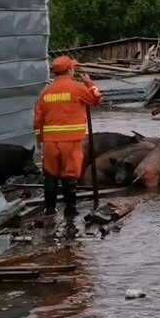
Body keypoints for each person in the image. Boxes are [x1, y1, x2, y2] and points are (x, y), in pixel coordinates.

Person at [33, 56, 103, 215]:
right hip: (71, 141)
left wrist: (40, 142)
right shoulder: (77, 88)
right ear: (70, 70)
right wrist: (90, 83)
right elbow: (97, 99)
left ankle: (49, 210)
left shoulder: (45, 92)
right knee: (69, 175)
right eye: (73, 68)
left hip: (50, 142)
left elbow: (37, 120)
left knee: (50, 175)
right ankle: (70, 210)